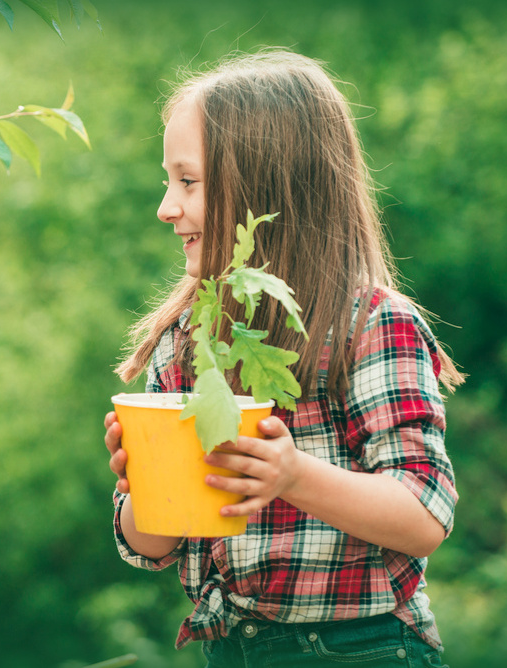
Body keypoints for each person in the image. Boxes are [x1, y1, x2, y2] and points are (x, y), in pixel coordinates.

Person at [104, 50, 461, 668]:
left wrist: (292, 475)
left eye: (187, 182)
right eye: (169, 182)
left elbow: (424, 510)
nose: (166, 207)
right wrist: (148, 479)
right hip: (233, 649)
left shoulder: (372, 325)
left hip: (363, 648)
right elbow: (148, 544)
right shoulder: (188, 339)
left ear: (265, 189)